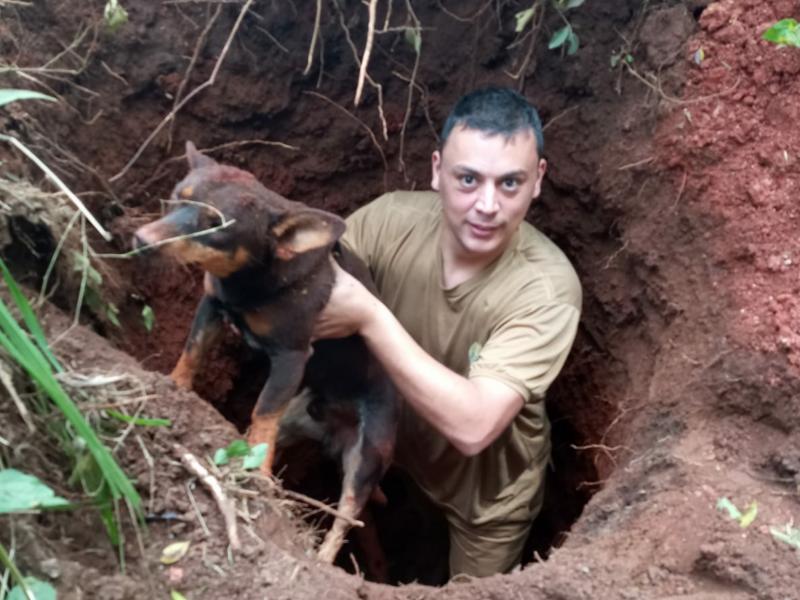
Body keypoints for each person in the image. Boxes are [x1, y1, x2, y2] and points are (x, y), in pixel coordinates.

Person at [313, 87, 582, 577]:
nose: (486, 205)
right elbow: (309, 284)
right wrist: (347, 418)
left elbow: (474, 427)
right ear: (436, 170)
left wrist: (370, 316)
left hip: (486, 501)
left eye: (509, 183)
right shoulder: (390, 220)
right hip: (401, 447)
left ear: (538, 180)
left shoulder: (545, 289)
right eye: (468, 178)